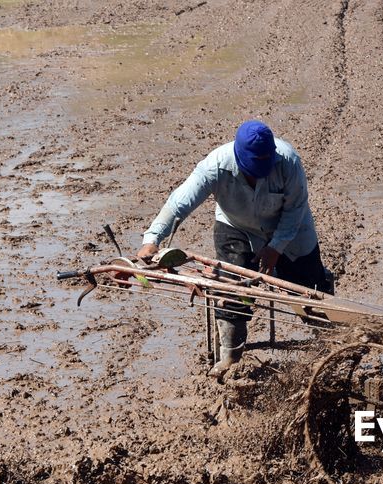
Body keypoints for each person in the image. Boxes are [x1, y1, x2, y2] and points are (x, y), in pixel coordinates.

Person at [137, 120, 331, 377]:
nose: (259, 173)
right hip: (236, 226)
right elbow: (180, 202)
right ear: (239, 157)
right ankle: (230, 355)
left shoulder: (288, 162)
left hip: (290, 231)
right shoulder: (215, 165)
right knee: (231, 288)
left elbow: (295, 209)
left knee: (309, 288)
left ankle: (329, 342)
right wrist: (152, 240)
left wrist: (276, 247)